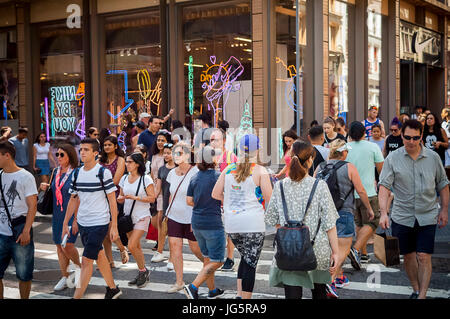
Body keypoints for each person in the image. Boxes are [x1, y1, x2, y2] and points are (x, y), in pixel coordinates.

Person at [379, 119, 449, 299]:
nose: (411, 141)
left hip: (427, 215)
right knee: (409, 256)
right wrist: (384, 213)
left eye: (415, 138)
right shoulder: (392, 158)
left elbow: (443, 185)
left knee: (424, 256)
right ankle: (416, 288)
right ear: (402, 135)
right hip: (402, 216)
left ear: (421, 137)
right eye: (407, 137)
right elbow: (384, 187)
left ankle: (422, 295)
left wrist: (444, 210)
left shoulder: (433, 158)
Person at [264, 140, 339, 300]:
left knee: (292, 294)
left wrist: (287, 237)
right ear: (311, 160)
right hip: (317, 249)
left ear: (291, 158)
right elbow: (330, 224)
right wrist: (336, 252)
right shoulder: (320, 186)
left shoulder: (280, 186)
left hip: (289, 249)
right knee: (319, 293)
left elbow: (273, 220)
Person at [212, 134, 273, 299]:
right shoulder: (260, 171)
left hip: (232, 224)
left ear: (239, 149)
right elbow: (270, 199)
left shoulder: (228, 169)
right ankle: (245, 301)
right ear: (257, 150)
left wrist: (230, 202)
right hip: (253, 223)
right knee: (250, 263)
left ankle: (240, 295)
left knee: (245, 259)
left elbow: (215, 194)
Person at [62, 138, 122, 299]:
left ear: (96, 153)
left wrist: (114, 225)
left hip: (99, 223)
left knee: (87, 261)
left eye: (86, 150)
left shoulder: (103, 172)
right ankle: (113, 288)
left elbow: (112, 200)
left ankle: (76, 297)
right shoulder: (76, 173)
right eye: (81, 149)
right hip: (83, 223)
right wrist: (65, 223)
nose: (82, 152)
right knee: (100, 255)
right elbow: (73, 199)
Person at [314, 139, 374, 298]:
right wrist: (369, 208)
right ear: (344, 153)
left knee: (329, 250)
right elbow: (360, 190)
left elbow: (313, 189)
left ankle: (331, 279)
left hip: (323, 214)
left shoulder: (320, 167)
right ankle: (329, 280)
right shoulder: (349, 167)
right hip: (343, 213)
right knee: (343, 249)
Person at [184, 146, 225, 299]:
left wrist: (201, 204)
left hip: (197, 222)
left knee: (208, 259)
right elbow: (225, 196)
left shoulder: (194, 177)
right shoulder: (218, 176)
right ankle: (193, 287)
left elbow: (189, 201)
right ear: (213, 159)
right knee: (219, 260)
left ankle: (212, 290)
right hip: (212, 222)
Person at [40, 143, 81, 291]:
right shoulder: (55, 171)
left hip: (70, 215)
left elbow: (78, 197)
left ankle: (79, 268)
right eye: (57, 154)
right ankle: (65, 276)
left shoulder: (76, 173)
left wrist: (76, 219)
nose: (58, 157)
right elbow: (54, 189)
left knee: (67, 245)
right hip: (57, 214)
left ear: (70, 156)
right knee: (59, 245)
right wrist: (46, 187)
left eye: (62, 154)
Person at [0, 141, 38, 299]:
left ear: (6, 155)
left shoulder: (25, 177)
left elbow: (32, 206)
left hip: (19, 233)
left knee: (24, 275)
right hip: (0, 234)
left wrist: (26, 231)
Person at [346, 121, 384, 268]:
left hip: (350, 193)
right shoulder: (373, 147)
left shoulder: (346, 148)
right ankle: (355, 249)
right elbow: (382, 170)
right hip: (368, 191)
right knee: (373, 221)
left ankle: (363, 255)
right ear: (364, 133)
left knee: (359, 223)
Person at [165, 142, 202, 293]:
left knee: (195, 248)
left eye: (179, 153)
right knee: (175, 248)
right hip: (174, 215)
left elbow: (199, 197)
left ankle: (210, 264)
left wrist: (196, 218)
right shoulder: (171, 173)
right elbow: (171, 194)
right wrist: (167, 212)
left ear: (187, 155)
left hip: (191, 217)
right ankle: (179, 281)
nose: (176, 156)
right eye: (174, 153)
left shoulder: (196, 172)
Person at [117, 152, 156, 288]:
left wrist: (136, 198)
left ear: (137, 164)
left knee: (132, 245)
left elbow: (152, 198)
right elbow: (120, 196)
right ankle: (142, 272)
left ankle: (143, 271)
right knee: (136, 246)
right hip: (128, 216)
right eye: (126, 162)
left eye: (130, 162)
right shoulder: (124, 178)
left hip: (142, 215)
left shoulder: (146, 179)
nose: (127, 164)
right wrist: (120, 199)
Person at [209, 128, 238, 271]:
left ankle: (230, 258)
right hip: (211, 200)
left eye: (217, 140)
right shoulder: (207, 157)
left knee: (229, 230)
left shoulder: (231, 157)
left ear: (224, 141)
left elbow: (237, 179)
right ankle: (215, 257)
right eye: (211, 140)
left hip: (227, 199)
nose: (213, 143)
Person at [99, 136, 127, 267]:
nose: (107, 147)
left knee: (111, 228)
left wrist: (100, 185)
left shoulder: (120, 160)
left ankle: (122, 248)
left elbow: (115, 181)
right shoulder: (100, 160)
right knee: (104, 232)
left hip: (114, 198)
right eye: (105, 145)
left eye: (109, 145)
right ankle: (110, 261)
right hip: (100, 198)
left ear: (116, 146)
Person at [151, 142, 175, 263]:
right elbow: (158, 188)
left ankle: (172, 257)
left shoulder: (178, 168)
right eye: (165, 153)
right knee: (162, 226)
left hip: (176, 203)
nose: (166, 155)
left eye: (168, 153)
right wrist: (151, 197)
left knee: (173, 231)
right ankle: (159, 252)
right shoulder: (161, 169)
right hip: (164, 201)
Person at [149, 131, 172, 250]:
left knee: (160, 218)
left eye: (162, 140)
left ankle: (160, 245)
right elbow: (153, 173)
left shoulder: (169, 157)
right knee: (154, 220)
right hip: (155, 189)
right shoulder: (154, 156)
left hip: (165, 189)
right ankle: (162, 238)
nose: (160, 142)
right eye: (158, 140)